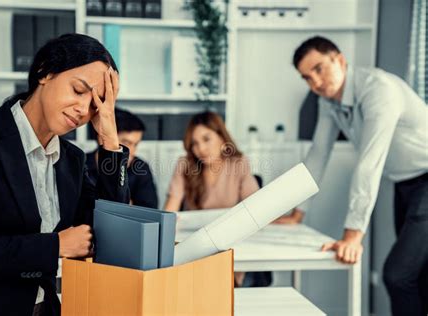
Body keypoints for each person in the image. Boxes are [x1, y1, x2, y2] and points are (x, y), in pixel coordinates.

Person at [0, 34, 130, 316]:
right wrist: (54, 246)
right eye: (78, 90)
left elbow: (111, 232)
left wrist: (109, 139)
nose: (84, 110)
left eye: (96, 105)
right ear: (45, 71)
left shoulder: (72, 159)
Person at [291, 36, 428, 315]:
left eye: (319, 69)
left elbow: (370, 162)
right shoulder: (328, 101)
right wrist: (298, 212)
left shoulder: (378, 89)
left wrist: (352, 235)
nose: (315, 83)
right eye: (307, 78)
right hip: (405, 184)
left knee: (398, 275)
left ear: (339, 59)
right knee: (418, 275)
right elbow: (318, 154)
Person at [163, 111, 260, 286]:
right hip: (196, 245)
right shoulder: (185, 165)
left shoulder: (238, 163)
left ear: (222, 137)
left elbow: (256, 207)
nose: (200, 149)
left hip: (230, 244)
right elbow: (171, 209)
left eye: (206, 139)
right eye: (194, 143)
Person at [86, 108, 158, 208]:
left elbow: (150, 211)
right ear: (102, 138)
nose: (131, 151)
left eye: (136, 144)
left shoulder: (141, 168)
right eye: (126, 143)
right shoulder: (80, 164)